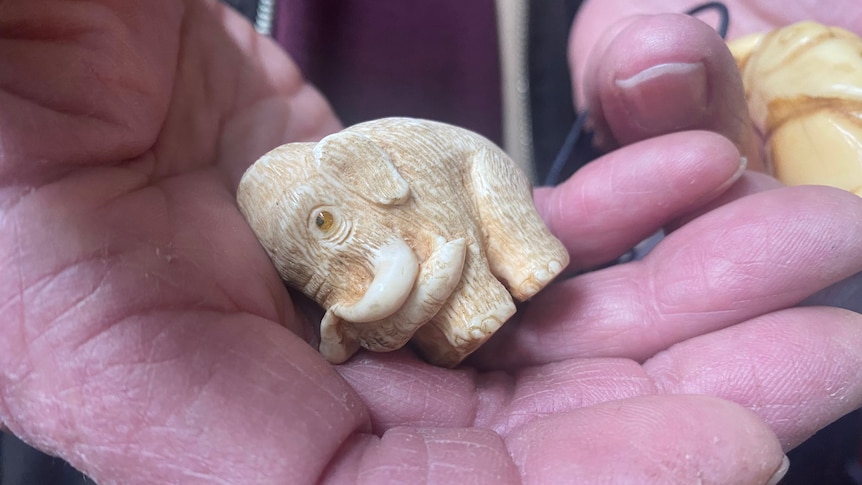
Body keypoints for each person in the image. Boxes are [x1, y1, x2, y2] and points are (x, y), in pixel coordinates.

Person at [0, 0, 860, 483]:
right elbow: (359, 288)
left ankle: (520, 268)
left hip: (473, 174)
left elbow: (436, 247)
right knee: (438, 313)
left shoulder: (385, 171)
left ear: (360, 184)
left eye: (327, 228)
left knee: (496, 268)